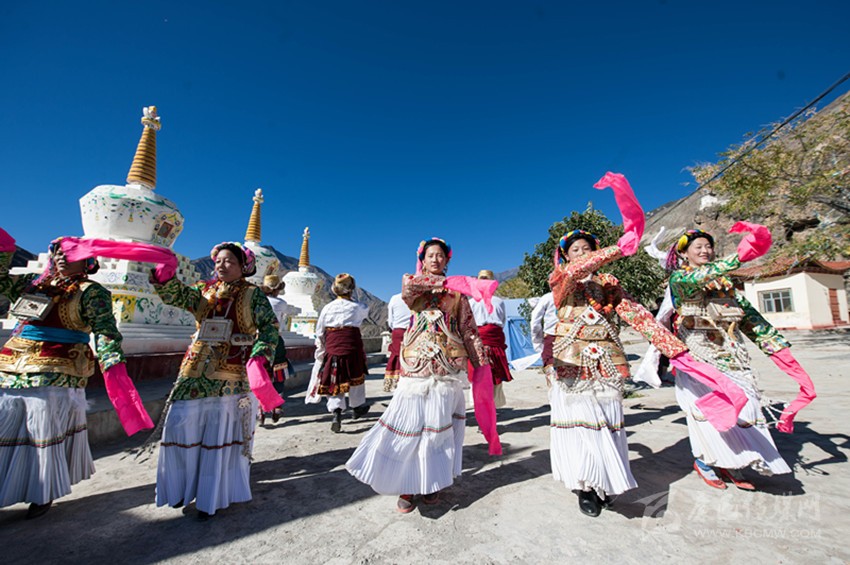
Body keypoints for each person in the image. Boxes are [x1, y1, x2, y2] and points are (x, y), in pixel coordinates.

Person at [0, 229, 152, 519]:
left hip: (57, 367)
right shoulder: (34, 285)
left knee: (42, 427)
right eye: (57, 253)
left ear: (86, 262)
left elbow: (106, 331)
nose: (60, 258)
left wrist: (112, 361)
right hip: (12, 363)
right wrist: (5, 249)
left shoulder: (92, 293)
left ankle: (40, 489)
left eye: (68, 254)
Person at [346, 238, 496, 514]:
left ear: (447, 261)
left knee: (439, 430)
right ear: (422, 260)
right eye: (430, 256)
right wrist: (456, 283)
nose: (436, 260)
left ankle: (431, 482)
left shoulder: (459, 296)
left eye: (440, 256)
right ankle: (405, 483)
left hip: (447, 367)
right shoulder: (413, 284)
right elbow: (410, 290)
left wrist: (482, 364)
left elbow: (469, 330)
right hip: (416, 367)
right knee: (410, 427)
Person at [666, 227, 816, 490]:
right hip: (699, 355)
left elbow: (749, 317)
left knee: (746, 406)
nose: (704, 251)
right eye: (698, 246)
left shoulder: (724, 283)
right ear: (683, 252)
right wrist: (742, 255)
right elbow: (706, 274)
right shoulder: (680, 278)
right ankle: (705, 461)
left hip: (732, 352)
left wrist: (775, 347)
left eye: (708, 246)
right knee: (707, 410)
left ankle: (734, 462)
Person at [149, 241, 282, 520]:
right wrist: (164, 271)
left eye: (229, 262)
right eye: (219, 261)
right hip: (194, 368)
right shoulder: (204, 290)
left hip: (231, 373)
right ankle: (181, 489)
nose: (222, 265)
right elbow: (177, 295)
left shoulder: (252, 294)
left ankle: (212, 494)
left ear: (243, 267)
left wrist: (259, 356)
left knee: (218, 432)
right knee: (181, 425)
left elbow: (269, 329)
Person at [305, 273, 371, 432]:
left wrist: (321, 352)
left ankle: (336, 413)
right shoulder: (358, 307)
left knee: (334, 382)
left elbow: (320, 332)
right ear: (351, 289)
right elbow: (365, 312)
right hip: (352, 349)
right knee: (356, 379)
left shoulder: (327, 308)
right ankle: (356, 407)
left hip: (333, 349)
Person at [468, 269, 512, 408]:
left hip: (496, 340)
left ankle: (492, 407)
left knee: (495, 376)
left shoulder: (499, 302)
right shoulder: (472, 302)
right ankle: (480, 409)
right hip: (478, 341)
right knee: (479, 377)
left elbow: (502, 321)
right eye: (482, 278)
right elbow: (468, 324)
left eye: (487, 279)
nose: (484, 282)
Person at [259, 274, 295, 424]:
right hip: (276, 340)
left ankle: (260, 408)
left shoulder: (258, 302)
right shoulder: (280, 303)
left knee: (261, 373)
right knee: (278, 373)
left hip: (259, 340)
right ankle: (277, 406)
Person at [383, 291, 411, 393]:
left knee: (397, 355)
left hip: (398, 331)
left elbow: (390, 321)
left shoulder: (395, 298)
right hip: (413, 331)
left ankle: (394, 383)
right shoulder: (418, 297)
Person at [529, 291, 557, 369]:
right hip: (578, 338)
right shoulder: (582, 296)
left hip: (552, 338)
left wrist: (538, 343)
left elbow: (535, 322)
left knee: (552, 372)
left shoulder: (548, 297)